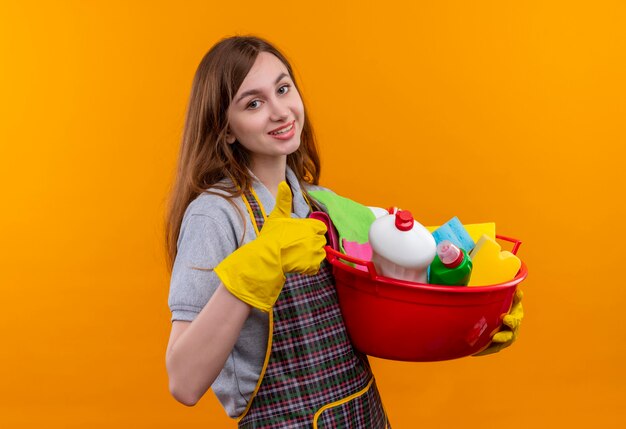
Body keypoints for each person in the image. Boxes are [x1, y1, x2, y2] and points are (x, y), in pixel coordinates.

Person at [164, 36, 391, 428]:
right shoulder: (215, 216)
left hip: (365, 416)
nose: (280, 111)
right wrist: (254, 270)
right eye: (253, 103)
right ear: (227, 129)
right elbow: (183, 381)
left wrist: (470, 329)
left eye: (283, 89)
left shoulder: (323, 204)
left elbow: (382, 314)